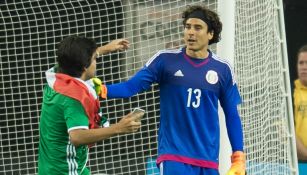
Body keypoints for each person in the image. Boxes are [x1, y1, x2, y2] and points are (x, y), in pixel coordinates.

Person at [98, 5, 245, 175]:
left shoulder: (223, 69)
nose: (191, 32)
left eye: (198, 28)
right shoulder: (164, 60)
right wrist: (101, 90)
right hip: (174, 156)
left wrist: (239, 157)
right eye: (187, 27)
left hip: (209, 160)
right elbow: (130, 87)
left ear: (210, 34)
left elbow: (232, 115)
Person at [38, 36, 143, 175]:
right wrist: (119, 128)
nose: (96, 62)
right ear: (84, 66)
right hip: (65, 170)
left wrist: (104, 49)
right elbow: (77, 137)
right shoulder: (73, 99)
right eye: (94, 58)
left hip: (57, 167)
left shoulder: (57, 77)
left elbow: (71, 56)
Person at [293, 44, 307, 174]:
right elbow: (286, 132)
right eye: (301, 63)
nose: (304, 67)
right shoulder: (289, 94)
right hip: (298, 165)